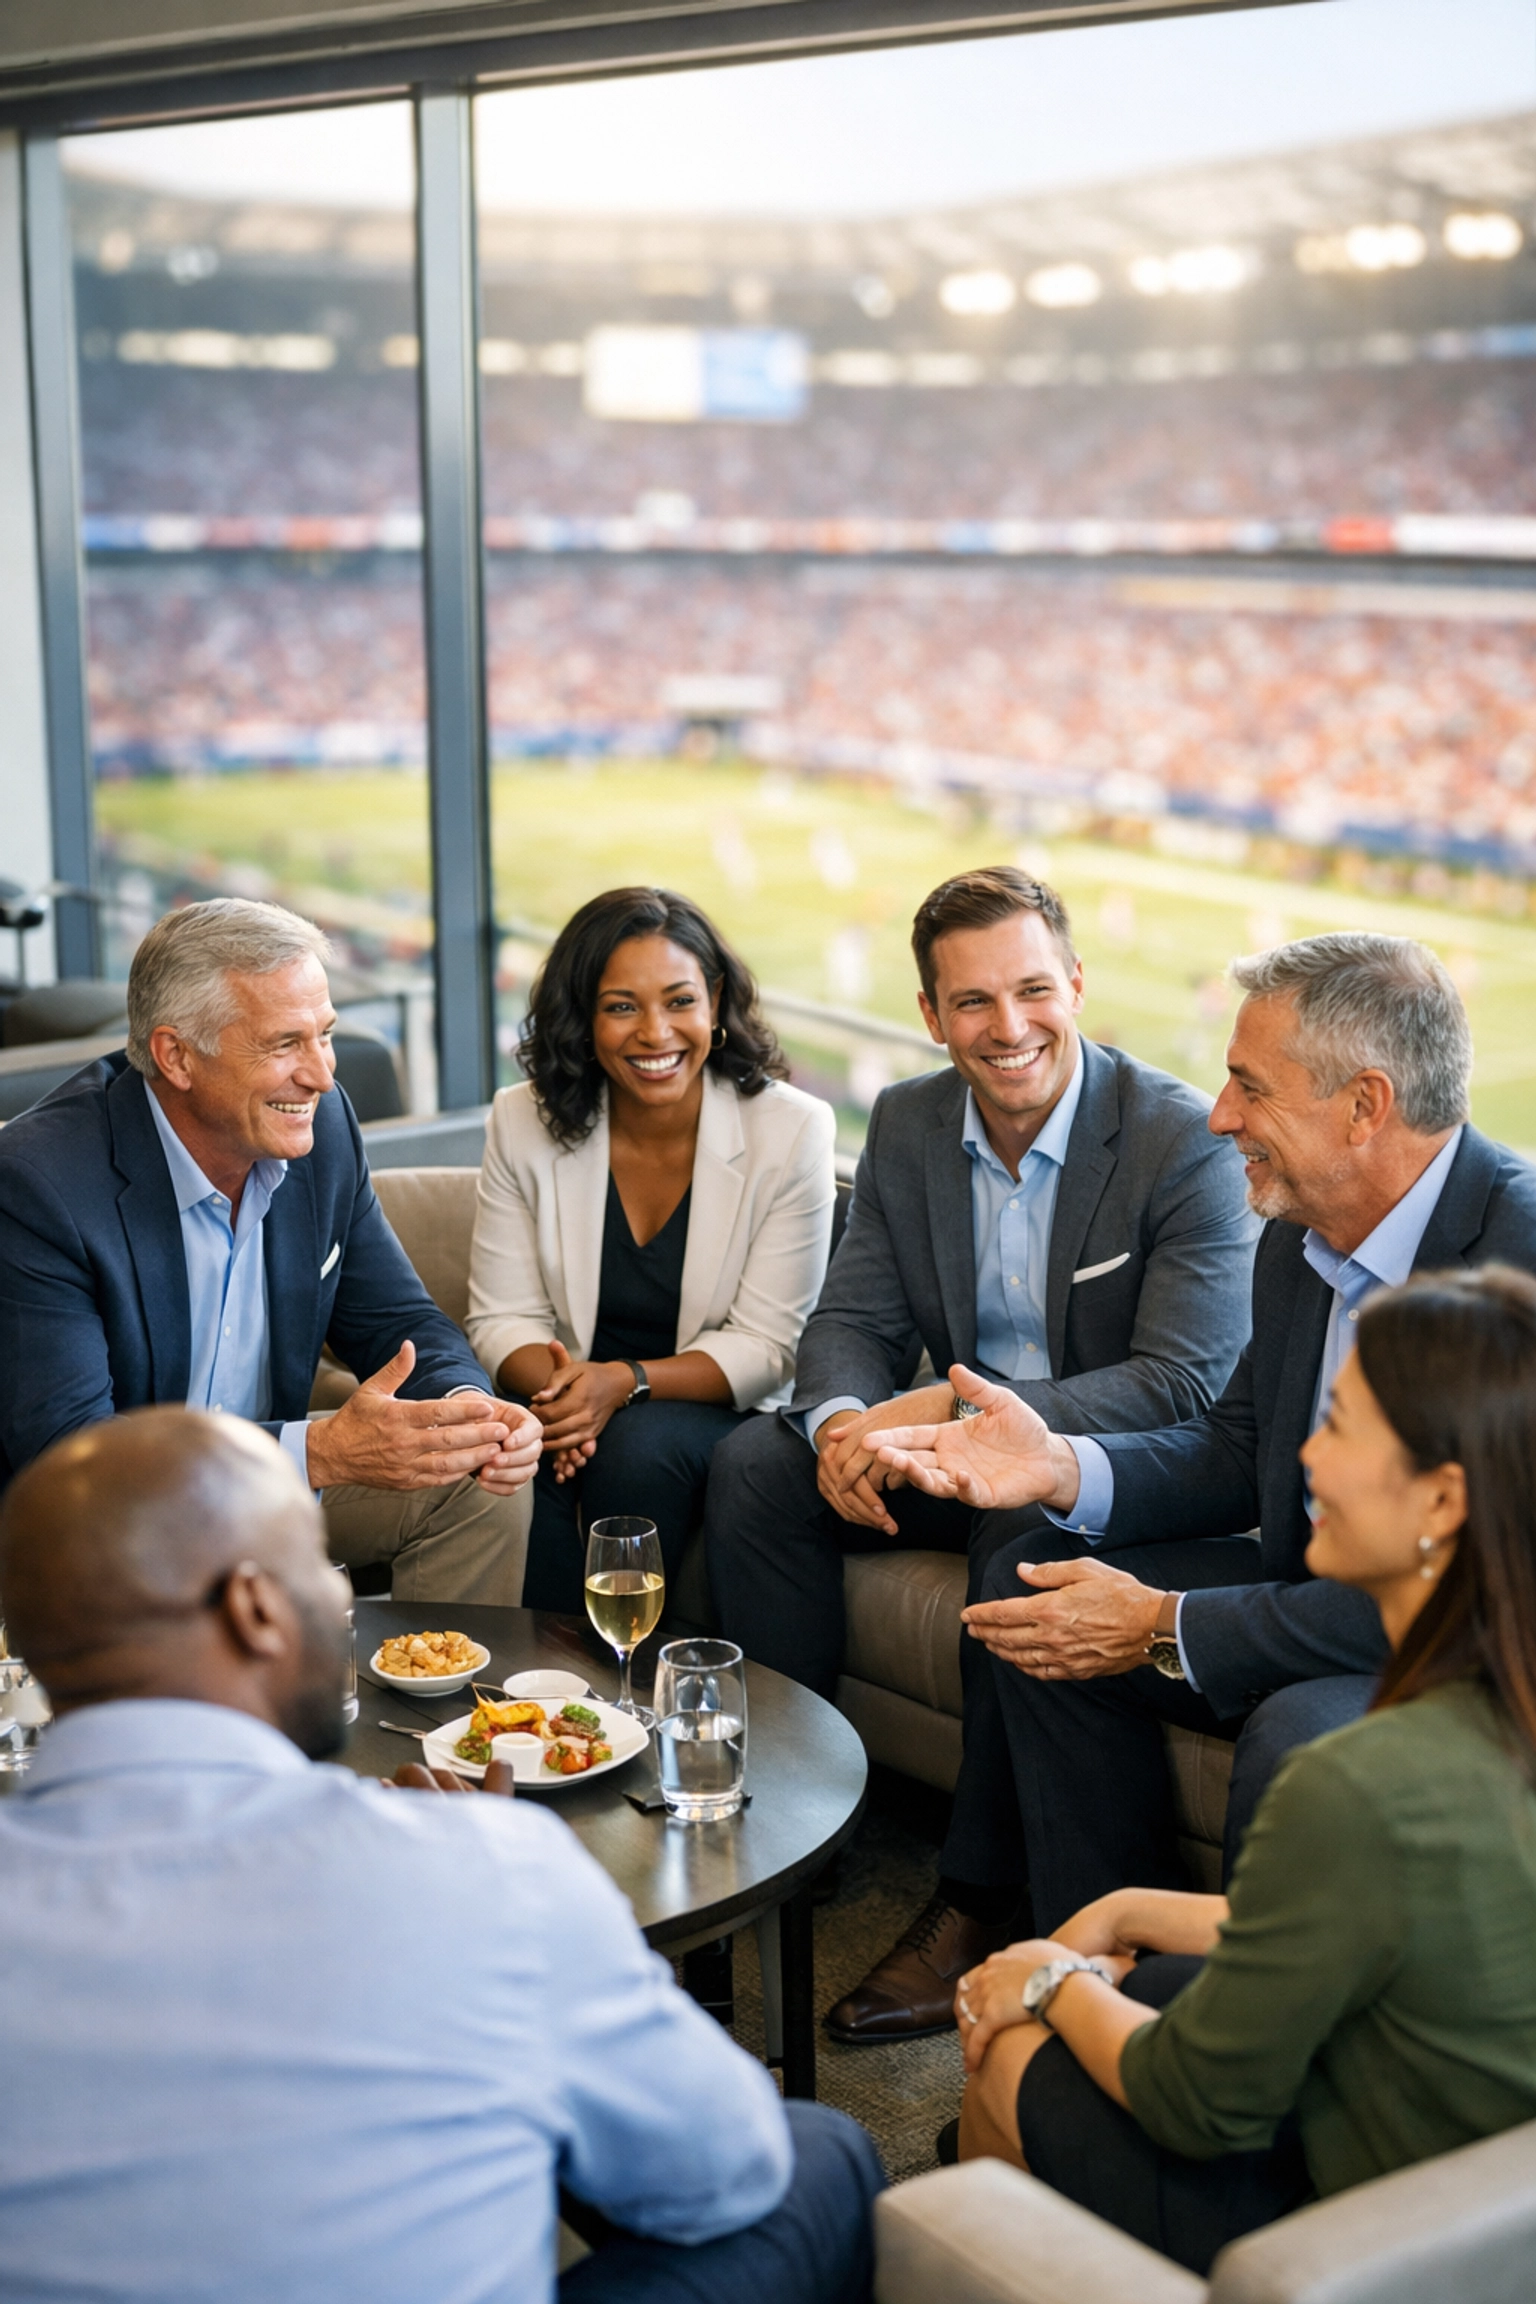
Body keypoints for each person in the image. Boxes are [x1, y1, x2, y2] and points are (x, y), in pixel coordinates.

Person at [0, 1407, 884, 2304]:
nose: (341, 1600)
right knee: (822, 2156)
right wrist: (504, 1889)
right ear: (255, 1609)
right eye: (318, 1562)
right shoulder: (487, 1872)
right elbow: (728, 2166)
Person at [875, 932, 1536, 1936]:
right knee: (1038, 1585)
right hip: (1317, 1578)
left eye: (1249, 1087)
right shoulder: (1300, 1226)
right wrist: (1057, 1464)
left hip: (1460, 1640)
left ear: (1365, 1106)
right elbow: (1240, 1445)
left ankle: (1236, 2049)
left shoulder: (1515, 1261)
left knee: (1296, 1730)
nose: (1220, 1116)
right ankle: (1104, 1961)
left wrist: (1166, 1623)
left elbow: (1480, 1588)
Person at [706, 866, 1257, 2043]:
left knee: (1024, 1527)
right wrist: (847, 1423)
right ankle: (788, 1835)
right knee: (757, 1469)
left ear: (1076, 985)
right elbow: (851, 1319)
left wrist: (964, 1436)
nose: (1008, 1029)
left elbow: (1184, 1383)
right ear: (930, 1014)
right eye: (972, 1003)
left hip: (1121, 1472)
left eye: (1032, 991)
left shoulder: (1179, 1141)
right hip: (953, 1449)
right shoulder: (908, 1121)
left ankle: (979, 1894)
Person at [945, 1266, 1536, 2277]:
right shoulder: (1491, 1707)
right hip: (1479, 2175)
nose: (1306, 1455)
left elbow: (1197, 2100)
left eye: (1341, 1426)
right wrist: (1127, 1911)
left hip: (1377, 2238)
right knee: (1149, 1970)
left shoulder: (1358, 1779)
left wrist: (1041, 1979)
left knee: (1006, 2055)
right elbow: (1386, 1911)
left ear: (1442, 1497)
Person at [0, 899, 540, 1602]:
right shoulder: (39, 1184)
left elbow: (397, 1320)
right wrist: (316, 1453)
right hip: (111, 1525)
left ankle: (434, 1709)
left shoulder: (324, 1126)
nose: (320, 1074)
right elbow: (76, 1460)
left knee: (474, 1484)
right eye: (285, 1044)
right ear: (176, 1056)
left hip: (272, 1489)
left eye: (326, 1034)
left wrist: (469, 1411)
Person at [467, 886, 835, 1611]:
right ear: (583, 1017)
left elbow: (768, 1348)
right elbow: (499, 1318)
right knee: (503, 1454)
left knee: (636, 1451)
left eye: (678, 1001)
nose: (655, 1033)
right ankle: (540, 1694)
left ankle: (620, 1687)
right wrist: (569, 1401)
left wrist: (621, 1383)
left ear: (716, 1001)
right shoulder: (522, 1121)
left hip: (715, 1403)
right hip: (567, 1392)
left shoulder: (792, 1130)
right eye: (621, 1007)